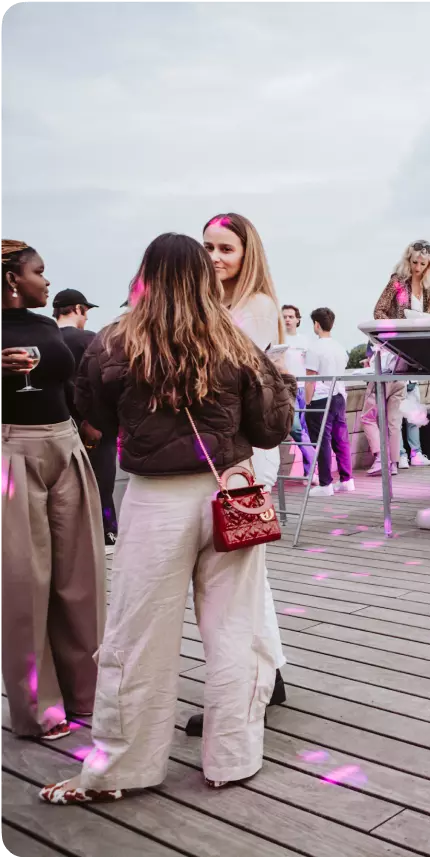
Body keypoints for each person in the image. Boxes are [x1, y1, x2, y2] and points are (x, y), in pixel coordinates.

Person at [39, 233, 296, 803]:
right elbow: (270, 428)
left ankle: (123, 767)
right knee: (235, 630)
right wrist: (281, 384)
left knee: (138, 634)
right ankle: (232, 758)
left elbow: (95, 413)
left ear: (146, 277)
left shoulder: (115, 340)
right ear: (204, 277)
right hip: (230, 492)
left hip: (155, 499)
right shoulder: (232, 339)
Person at [184, 213, 288, 741]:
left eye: (226, 248)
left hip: (246, 455)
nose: (214, 257)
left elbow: (216, 368)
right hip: (224, 452)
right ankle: (268, 675)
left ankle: (256, 684)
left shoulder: (258, 307)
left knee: (240, 573)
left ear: (248, 254)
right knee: (246, 573)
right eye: (207, 247)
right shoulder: (217, 305)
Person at [1, 240, 105, 743]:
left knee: (81, 573)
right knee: (24, 583)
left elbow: (65, 383)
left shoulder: (46, 327)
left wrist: (87, 422)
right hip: (10, 451)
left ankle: (89, 693)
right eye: (39, 272)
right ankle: (39, 707)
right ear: (12, 279)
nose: (46, 281)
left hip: (65, 444)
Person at [365, 240, 430, 474]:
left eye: (423, 264)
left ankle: (401, 458)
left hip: (415, 350)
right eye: (415, 262)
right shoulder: (398, 280)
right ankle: (397, 458)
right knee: (392, 415)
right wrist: (396, 329)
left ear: (429, 265)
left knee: (405, 411)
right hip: (395, 350)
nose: (418, 267)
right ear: (408, 259)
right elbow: (378, 310)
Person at [53, 288, 119, 552]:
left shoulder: (46, 339)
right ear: (78, 309)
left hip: (58, 428)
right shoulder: (88, 340)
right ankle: (107, 535)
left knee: (65, 489)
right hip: (95, 428)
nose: (87, 318)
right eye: (86, 312)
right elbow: (101, 382)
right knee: (102, 483)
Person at [305, 307, 355, 497]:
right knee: (341, 440)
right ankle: (347, 480)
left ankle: (326, 483)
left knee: (322, 441)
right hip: (339, 396)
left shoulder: (314, 348)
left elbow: (310, 379)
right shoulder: (339, 347)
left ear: (316, 324)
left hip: (321, 398)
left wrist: (307, 403)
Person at [281, 304, 315, 481]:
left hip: (303, 388)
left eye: (291, 316)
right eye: (284, 316)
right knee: (296, 428)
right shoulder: (278, 339)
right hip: (287, 388)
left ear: (297, 320)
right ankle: (315, 460)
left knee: (303, 429)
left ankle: (310, 472)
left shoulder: (306, 341)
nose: (287, 319)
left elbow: (312, 366)